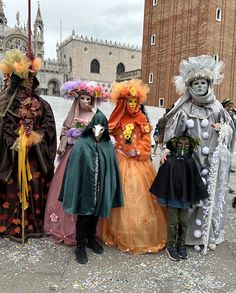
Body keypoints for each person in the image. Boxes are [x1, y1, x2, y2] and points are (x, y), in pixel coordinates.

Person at [161, 55, 234, 252]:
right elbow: (174, 133)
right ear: (190, 87)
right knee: (188, 199)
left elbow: (230, 131)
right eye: (197, 83)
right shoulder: (184, 109)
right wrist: (167, 148)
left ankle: (207, 235)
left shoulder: (218, 108)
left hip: (211, 163)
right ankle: (186, 238)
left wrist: (223, 130)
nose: (200, 86)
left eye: (203, 82)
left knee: (208, 199)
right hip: (189, 164)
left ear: (209, 84)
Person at [99, 79, 167, 253]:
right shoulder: (117, 117)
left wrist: (137, 151)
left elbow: (146, 140)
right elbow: (109, 134)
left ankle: (139, 233)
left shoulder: (142, 118)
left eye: (135, 101)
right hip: (119, 159)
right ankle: (118, 231)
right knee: (119, 193)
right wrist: (116, 145)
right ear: (123, 102)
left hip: (138, 162)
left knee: (139, 195)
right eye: (129, 101)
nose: (132, 104)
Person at [0, 49, 57, 243]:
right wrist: (15, 141)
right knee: (13, 188)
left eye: (32, 79)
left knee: (35, 186)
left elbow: (48, 127)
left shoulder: (43, 105)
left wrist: (35, 138)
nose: (30, 82)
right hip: (15, 157)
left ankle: (34, 225)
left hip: (35, 157)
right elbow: (5, 127)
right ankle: (13, 226)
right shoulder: (7, 104)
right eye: (26, 79)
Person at [44, 80, 109, 245]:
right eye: (83, 99)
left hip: (92, 159)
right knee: (73, 189)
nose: (86, 102)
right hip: (73, 158)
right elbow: (64, 132)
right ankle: (70, 230)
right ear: (78, 99)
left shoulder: (96, 116)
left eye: (89, 99)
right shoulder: (73, 115)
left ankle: (90, 234)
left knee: (90, 192)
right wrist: (70, 137)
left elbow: (100, 136)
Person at [59, 109, 124, 264]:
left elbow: (111, 168)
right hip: (84, 188)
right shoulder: (82, 144)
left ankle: (91, 239)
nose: (98, 131)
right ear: (91, 127)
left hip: (99, 188)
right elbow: (74, 170)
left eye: (102, 128)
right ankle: (80, 245)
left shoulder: (108, 146)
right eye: (95, 127)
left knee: (95, 215)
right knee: (83, 216)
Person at [150, 134, 209, 261]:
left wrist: (201, 194)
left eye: (186, 145)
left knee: (184, 222)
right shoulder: (169, 161)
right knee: (172, 223)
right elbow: (163, 179)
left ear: (190, 147)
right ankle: (171, 245)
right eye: (180, 144)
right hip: (172, 199)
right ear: (175, 145)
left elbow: (196, 180)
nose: (183, 147)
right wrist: (162, 198)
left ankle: (181, 244)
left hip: (185, 199)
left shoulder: (190, 162)